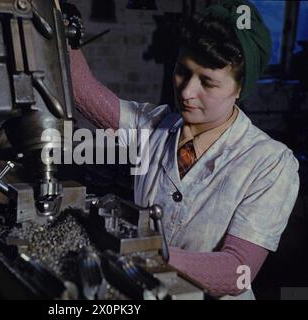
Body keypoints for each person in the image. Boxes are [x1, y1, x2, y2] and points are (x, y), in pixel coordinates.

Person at [69, 0, 299, 299]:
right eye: (182, 71)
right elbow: (82, 89)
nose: (187, 92)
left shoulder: (270, 163)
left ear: (240, 88)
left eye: (208, 82)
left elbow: (237, 270)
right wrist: (61, 27)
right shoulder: (154, 125)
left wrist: (143, 254)